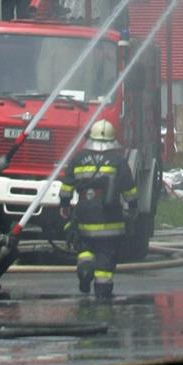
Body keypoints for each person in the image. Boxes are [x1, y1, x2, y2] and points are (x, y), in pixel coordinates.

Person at [59, 119, 138, 300]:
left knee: (85, 246)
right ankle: (102, 292)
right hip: (109, 215)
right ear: (112, 138)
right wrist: (133, 208)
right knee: (105, 253)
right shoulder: (118, 160)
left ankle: (85, 268)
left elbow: (67, 187)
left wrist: (64, 205)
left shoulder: (78, 158)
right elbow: (129, 189)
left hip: (84, 211)